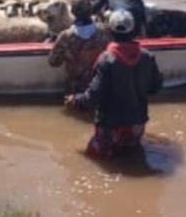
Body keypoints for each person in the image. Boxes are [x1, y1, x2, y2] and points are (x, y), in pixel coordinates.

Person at [65, 10, 164, 159]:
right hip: (137, 125)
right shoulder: (147, 57)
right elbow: (156, 86)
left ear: (110, 32)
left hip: (110, 126)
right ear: (134, 30)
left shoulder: (107, 59)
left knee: (95, 159)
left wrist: (75, 100)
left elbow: (94, 95)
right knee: (131, 157)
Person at [48, 0, 111, 93]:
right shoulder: (104, 32)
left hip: (75, 90)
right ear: (91, 11)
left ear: (72, 12)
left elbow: (53, 62)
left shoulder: (65, 36)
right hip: (101, 87)